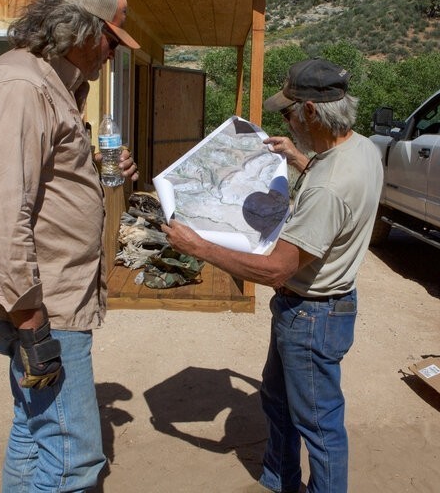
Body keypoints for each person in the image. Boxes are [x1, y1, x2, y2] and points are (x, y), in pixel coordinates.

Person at [0, 0, 140, 492]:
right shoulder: (22, 87)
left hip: (43, 299)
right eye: (112, 41)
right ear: (83, 31)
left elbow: (40, 184)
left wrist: (96, 172)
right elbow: (6, 210)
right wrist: (31, 321)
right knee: (73, 459)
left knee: (33, 431)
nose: (112, 55)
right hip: (42, 304)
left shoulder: (48, 84)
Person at [162, 58, 384, 493]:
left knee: (319, 428)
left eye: (288, 112)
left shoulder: (329, 186)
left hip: (311, 316)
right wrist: (298, 158)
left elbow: (277, 268)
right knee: (278, 402)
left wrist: (200, 247)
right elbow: (331, 183)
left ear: (312, 112)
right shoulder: (360, 150)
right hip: (315, 310)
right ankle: (279, 480)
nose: (286, 120)